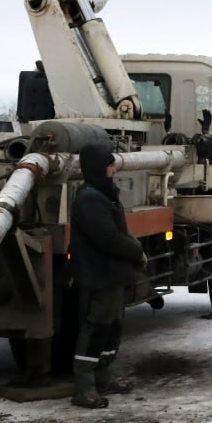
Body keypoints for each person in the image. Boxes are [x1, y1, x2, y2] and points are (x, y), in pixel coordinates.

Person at [68, 142, 145, 409]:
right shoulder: (90, 198)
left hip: (111, 275)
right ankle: (84, 388)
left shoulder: (103, 195)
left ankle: (104, 378)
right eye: (109, 164)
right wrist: (136, 250)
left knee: (111, 328)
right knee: (95, 330)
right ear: (99, 168)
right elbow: (108, 238)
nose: (114, 168)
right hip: (97, 276)